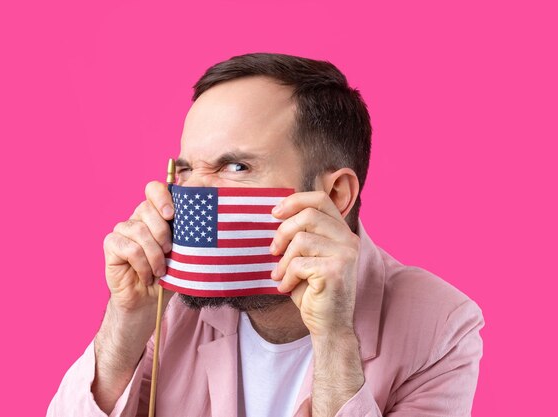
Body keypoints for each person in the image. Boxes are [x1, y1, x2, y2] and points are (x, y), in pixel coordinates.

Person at [47, 53, 484, 417]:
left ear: (334, 194)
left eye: (235, 167)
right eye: (185, 170)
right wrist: (122, 323)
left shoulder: (442, 327)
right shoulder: (170, 301)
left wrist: (334, 339)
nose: (192, 194)